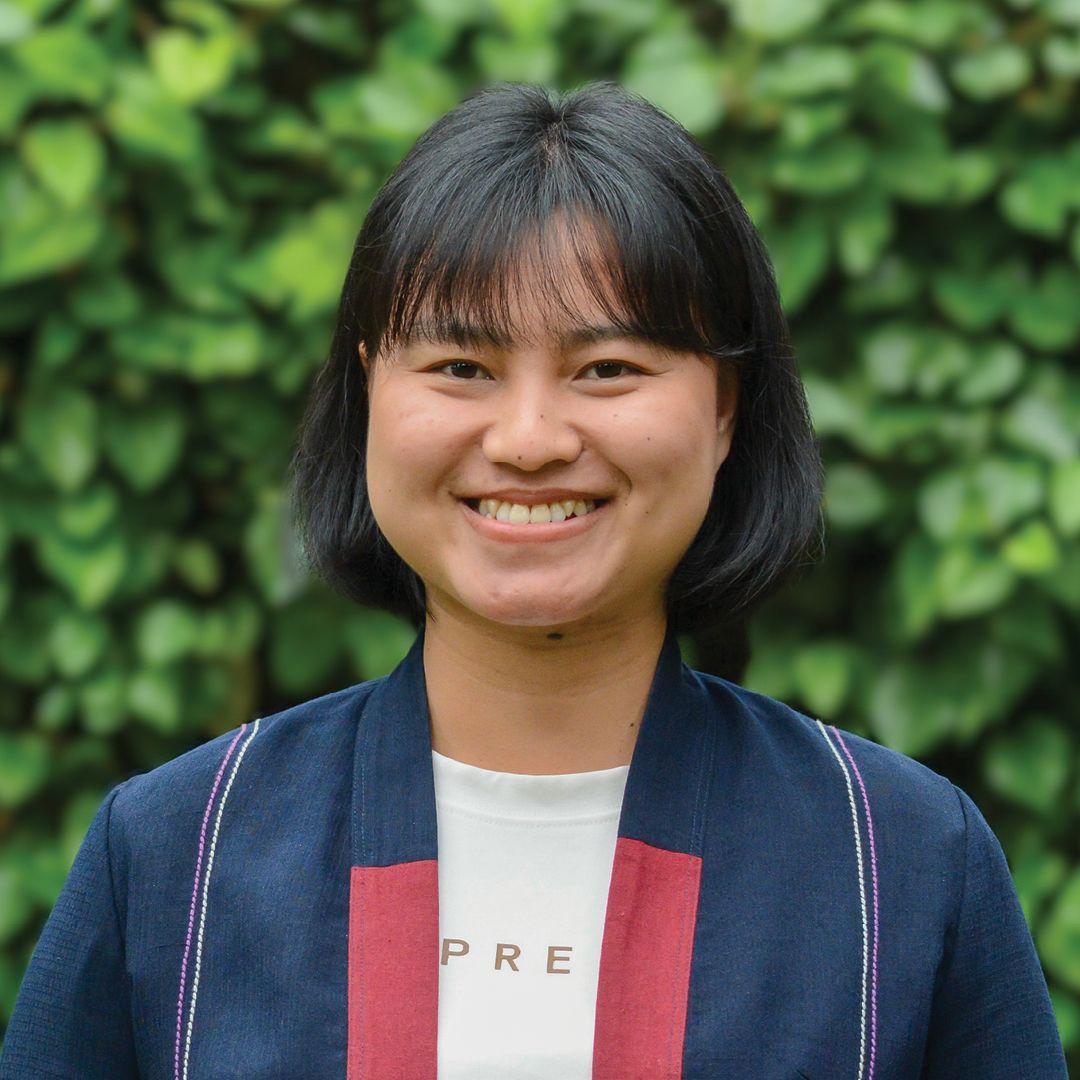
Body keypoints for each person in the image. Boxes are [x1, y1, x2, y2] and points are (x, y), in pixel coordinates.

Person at [0, 81, 1066, 1079]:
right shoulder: (178, 852)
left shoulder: (900, 863)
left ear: (727, 408)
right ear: (372, 388)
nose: (528, 440)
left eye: (608, 369)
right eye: (461, 368)